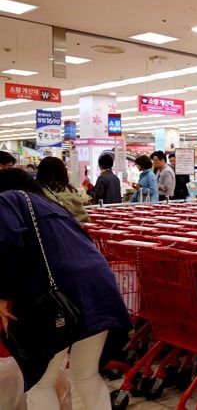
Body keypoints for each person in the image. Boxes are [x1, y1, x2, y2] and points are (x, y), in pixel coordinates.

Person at [0, 167, 131, 409]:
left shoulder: (7, 199)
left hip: (56, 298)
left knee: (41, 383)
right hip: (99, 290)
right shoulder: (52, 206)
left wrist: (4, 295)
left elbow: (6, 242)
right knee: (86, 374)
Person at [36, 157, 91, 223]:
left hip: (54, 230)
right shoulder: (70, 190)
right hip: (76, 229)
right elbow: (83, 215)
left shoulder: (38, 192)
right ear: (63, 172)